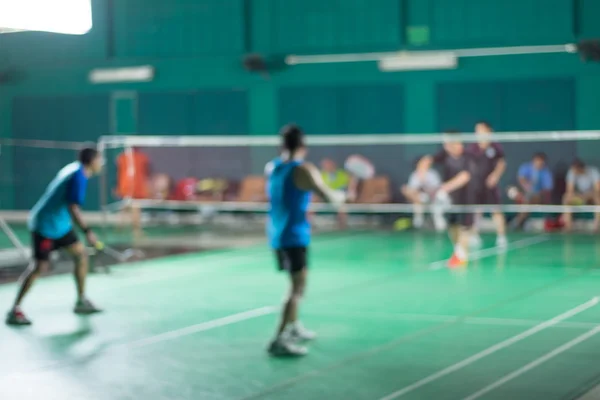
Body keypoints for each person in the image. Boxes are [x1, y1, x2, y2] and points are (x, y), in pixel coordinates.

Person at [267, 124, 345, 357]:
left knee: (299, 282)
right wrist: (341, 196)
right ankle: (278, 339)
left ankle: (293, 326)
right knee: (296, 288)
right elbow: (329, 197)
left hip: (276, 233)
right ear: (303, 146)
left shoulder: (272, 167)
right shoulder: (304, 169)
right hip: (294, 235)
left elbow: (291, 196)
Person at [6, 147, 104, 326]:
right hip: (46, 226)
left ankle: (81, 300)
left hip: (60, 225)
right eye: (100, 159)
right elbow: (73, 208)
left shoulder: (74, 169)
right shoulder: (78, 176)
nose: (102, 163)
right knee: (39, 267)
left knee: (81, 255)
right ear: (92, 161)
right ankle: (14, 310)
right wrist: (88, 232)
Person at [416, 131, 475, 267]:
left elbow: (465, 177)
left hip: (468, 195)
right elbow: (427, 160)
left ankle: (461, 256)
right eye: (445, 143)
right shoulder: (445, 154)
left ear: (456, 143)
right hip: (451, 199)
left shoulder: (468, 157)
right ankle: (458, 251)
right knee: (452, 226)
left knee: (465, 227)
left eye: (447, 143)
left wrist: (444, 188)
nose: (445, 146)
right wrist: (422, 170)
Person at [467, 122, 507, 248]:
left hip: (490, 185)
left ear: (488, 131)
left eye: (480, 130)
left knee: (496, 210)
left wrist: (495, 176)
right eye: (476, 130)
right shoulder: (473, 147)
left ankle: (501, 237)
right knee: (476, 211)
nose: (477, 132)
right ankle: (474, 235)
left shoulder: (495, 147)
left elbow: (502, 163)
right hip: (476, 185)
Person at [401, 161, 446, 231]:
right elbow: (412, 189)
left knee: (441, 195)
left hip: (434, 198)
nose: (423, 165)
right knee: (406, 190)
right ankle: (418, 220)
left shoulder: (433, 174)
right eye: (421, 164)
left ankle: (438, 220)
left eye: (425, 164)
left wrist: (428, 190)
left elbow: (437, 188)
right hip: (420, 198)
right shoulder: (415, 174)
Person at [512, 152, 553, 230]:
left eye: (541, 161)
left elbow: (547, 189)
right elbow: (521, 179)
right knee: (512, 191)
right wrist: (526, 187)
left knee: (529, 199)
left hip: (537, 196)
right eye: (537, 161)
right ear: (533, 160)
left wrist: (533, 192)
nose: (539, 163)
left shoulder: (546, 173)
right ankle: (522, 220)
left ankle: (518, 221)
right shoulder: (525, 167)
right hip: (523, 193)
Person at [115, 147, 150, 236]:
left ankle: (120, 226)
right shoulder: (142, 157)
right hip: (134, 186)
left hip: (126, 186)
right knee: (135, 207)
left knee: (125, 206)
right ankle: (136, 230)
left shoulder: (121, 157)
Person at [562, 159, 600, 231]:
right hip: (579, 197)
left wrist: (587, 195)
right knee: (566, 198)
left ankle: (597, 226)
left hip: (591, 196)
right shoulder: (571, 172)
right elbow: (570, 190)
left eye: (575, 170)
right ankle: (568, 226)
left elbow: (597, 190)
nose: (574, 172)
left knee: (598, 198)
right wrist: (579, 196)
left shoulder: (593, 172)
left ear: (580, 168)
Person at [320, 158, 357, 228]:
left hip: (340, 195)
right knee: (310, 205)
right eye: (324, 166)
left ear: (333, 165)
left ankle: (342, 226)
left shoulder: (342, 174)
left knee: (342, 207)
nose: (325, 167)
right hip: (326, 196)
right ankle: (309, 226)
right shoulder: (322, 175)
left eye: (327, 165)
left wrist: (351, 192)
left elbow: (351, 182)